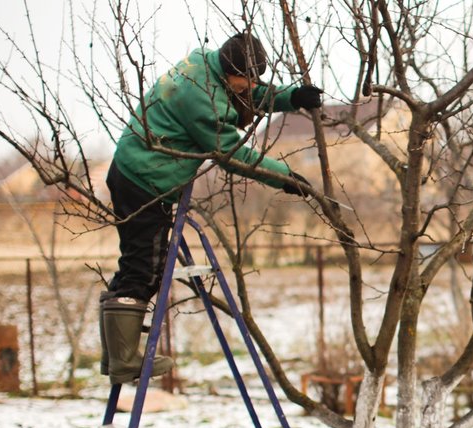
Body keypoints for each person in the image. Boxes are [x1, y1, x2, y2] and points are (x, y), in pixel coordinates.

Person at [100, 31, 323, 383]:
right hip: (145, 181)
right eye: (246, 79)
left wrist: (291, 96)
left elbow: (243, 95)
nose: (250, 86)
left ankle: (113, 356)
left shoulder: (207, 65)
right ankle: (124, 360)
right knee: (143, 268)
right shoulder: (201, 100)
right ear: (230, 70)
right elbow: (232, 154)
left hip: (134, 169)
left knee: (135, 261)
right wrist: (285, 177)